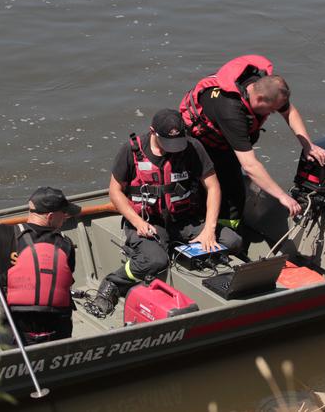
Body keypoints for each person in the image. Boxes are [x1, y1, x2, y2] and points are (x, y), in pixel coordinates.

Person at [93, 109, 242, 315]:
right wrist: (137, 222)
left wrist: (209, 229)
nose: (175, 149)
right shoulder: (130, 151)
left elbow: (213, 187)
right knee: (155, 261)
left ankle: (176, 249)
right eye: (168, 143)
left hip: (185, 220)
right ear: (153, 132)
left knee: (232, 242)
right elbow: (115, 191)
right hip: (148, 222)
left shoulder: (192, 148)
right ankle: (112, 284)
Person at [179, 54, 325, 227]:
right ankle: (207, 230)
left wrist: (307, 145)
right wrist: (282, 196)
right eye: (272, 110)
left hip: (227, 139)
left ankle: (228, 233)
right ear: (259, 99)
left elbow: (290, 111)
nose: (273, 113)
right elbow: (250, 166)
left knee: (235, 198)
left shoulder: (261, 84)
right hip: (200, 142)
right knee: (216, 190)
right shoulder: (231, 111)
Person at [0, 187, 80, 347]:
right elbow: (63, 284)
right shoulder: (66, 245)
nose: (66, 217)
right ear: (51, 216)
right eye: (64, 214)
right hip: (57, 334)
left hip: (12, 334)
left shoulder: (2, 234)